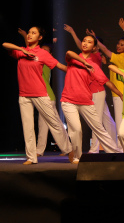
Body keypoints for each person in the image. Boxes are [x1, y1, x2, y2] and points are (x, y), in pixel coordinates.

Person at [4, 27, 75, 164]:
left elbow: (59, 65)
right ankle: (31, 157)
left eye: (33, 33)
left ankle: (69, 149)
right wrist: (23, 50)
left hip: (40, 94)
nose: (30, 35)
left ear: (40, 37)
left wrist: (76, 72)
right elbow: (5, 45)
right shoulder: (21, 51)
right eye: (29, 33)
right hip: (24, 94)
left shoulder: (43, 53)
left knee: (54, 122)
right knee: (28, 127)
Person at [60, 34, 122, 162]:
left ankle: (115, 153)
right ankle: (77, 156)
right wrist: (84, 62)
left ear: (94, 47)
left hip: (85, 101)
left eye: (89, 42)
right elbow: (69, 53)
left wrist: (120, 94)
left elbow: (107, 82)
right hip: (68, 100)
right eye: (84, 41)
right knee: (76, 129)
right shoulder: (73, 59)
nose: (85, 43)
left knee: (99, 128)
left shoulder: (94, 65)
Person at [86, 28, 124, 151]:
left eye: (122, 45)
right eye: (118, 44)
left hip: (120, 93)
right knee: (123, 120)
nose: (119, 46)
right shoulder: (120, 58)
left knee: (121, 121)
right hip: (120, 93)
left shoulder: (120, 57)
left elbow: (105, 50)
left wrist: (95, 39)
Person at [17, 29, 66, 156]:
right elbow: (29, 51)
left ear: (50, 54)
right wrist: (25, 36)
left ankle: (66, 148)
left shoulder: (45, 61)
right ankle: (40, 150)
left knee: (52, 124)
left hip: (47, 96)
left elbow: (58, 65)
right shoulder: (34, 57)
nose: (42, 51)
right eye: (42, 49)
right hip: (36, 94)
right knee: (45, 125)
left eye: (46, 51)